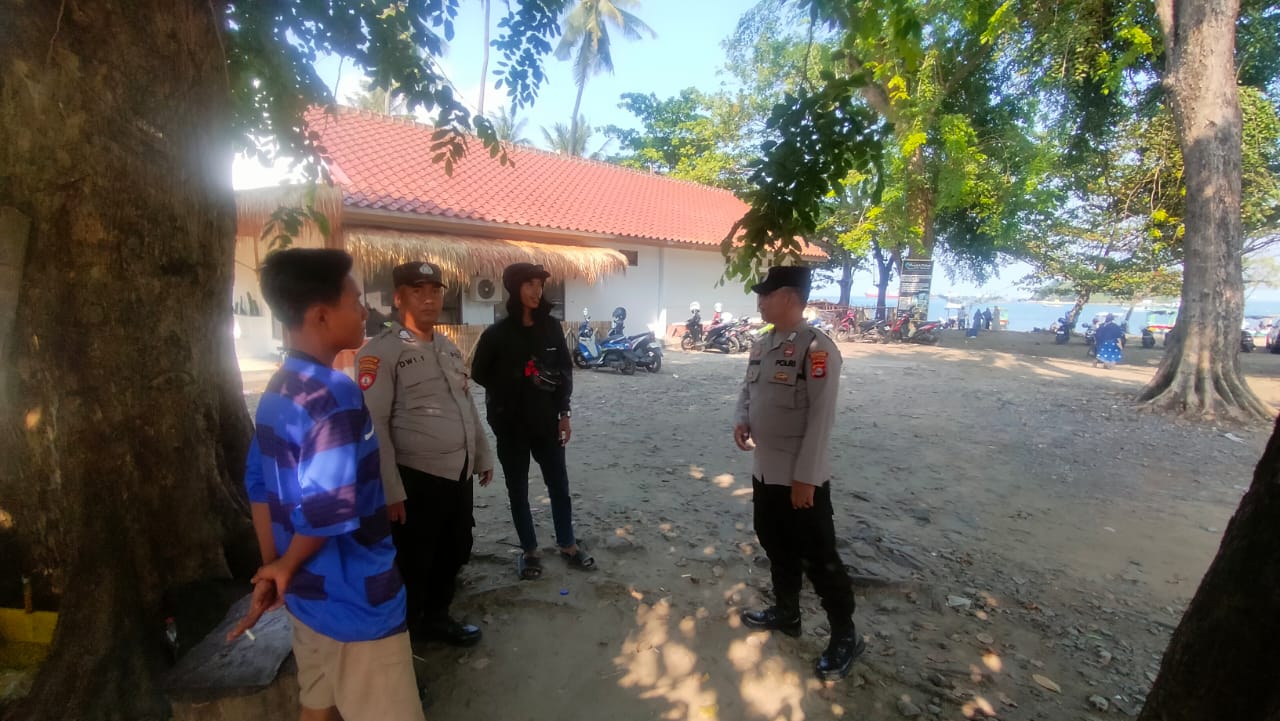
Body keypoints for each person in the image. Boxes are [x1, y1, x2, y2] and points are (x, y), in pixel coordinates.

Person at [229, 248, 424, 721]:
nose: (365, 311)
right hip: (356, 602)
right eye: (354, 301)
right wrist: (285, 565)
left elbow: (258, 483)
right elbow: (329, 510)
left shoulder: (280, 388)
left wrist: (278, 567)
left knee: (318, 704)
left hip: (307, 597)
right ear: (320, 315)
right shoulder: (334, 394)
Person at [733, 265, 863, 682]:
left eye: (766, 295)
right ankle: (787, 612)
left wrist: (806, 477)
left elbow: (821, 418)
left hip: (801, 477)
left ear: (789, 297)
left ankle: (845, 635)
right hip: (765, 470)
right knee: (774, 541)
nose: (760, 302)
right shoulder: (762, 343)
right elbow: (748, 389)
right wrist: (741, 418)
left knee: (819, 557)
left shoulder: (817, 348)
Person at [358, 261, 494, 647]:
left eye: (435, 290)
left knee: (456, 547)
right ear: (399, 298)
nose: (429, 298)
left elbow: (465, 405)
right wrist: (390, 490)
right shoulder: (381, 352)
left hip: (457, 471)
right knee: (414, 559)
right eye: (418, 291)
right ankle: (405, 636)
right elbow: (374, 424)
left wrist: (482, 455)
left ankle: (437, 617)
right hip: (415, 476)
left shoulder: (447, 347)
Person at [471, 263, 594, 579]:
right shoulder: (496, 334)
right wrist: (511, 386)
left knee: (559, 486)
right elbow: (479, 373)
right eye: (529, 284)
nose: (537, 291)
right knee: (518, 490)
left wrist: (564, 414)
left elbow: (564, 373)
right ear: (515, 288)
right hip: (510, 428)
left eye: (540, 284)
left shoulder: (551, 329)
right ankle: (529, 551)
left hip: (546, 425)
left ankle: (568, 544)